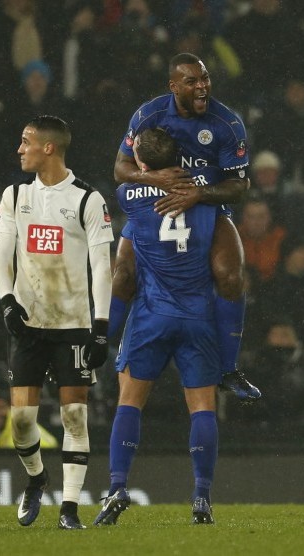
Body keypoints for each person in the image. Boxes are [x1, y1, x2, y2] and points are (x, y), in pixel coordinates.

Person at [108, 52, 260, 403]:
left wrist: (199, 194)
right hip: (153, 200)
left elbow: (240, 186)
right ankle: (96, 349)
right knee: (122, 275)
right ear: (173, 86)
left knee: (230, 275)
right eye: (192, 81)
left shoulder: (228, 124)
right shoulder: (149, 115)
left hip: (207, 205)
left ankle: (228, 369)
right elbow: (120, 168)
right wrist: (151, 176)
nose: (202, 86)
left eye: (205, 78)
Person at [94, 127, 223, 527]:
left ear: (145, 165)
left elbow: (124, 272)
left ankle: (117, 486)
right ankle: (201, 497)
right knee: (202, 407)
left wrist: (105, 330)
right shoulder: (207, 197)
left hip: (152, 313)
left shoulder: (128, 197)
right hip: (198, 315)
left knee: (130, 401)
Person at [0, 115, 113, 530]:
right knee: (23, 422)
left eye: (25, 142)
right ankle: (36, 479)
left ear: (49, 148)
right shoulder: (14, 194)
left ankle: (70, 509)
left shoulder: (87, 200)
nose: (19, 149)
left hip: (73, 326)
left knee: (74, 418)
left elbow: (102, 266)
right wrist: (7, 300)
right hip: (28, 323)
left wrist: (100, 325)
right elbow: (2, 254)